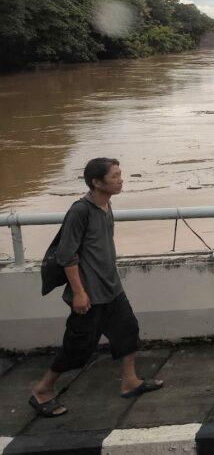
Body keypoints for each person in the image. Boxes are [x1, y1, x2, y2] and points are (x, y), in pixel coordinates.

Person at [28, 158, 163, 417]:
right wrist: (79, 292)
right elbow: (66, 255)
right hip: (90, 294)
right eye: (114, 176)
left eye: (120, 174)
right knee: (76, 347)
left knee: (127, 331)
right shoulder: (81, 211)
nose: (121, 179)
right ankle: (42, 390)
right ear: (96, 183)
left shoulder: (106, 204)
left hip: (111, 289)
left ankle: (130, 381)